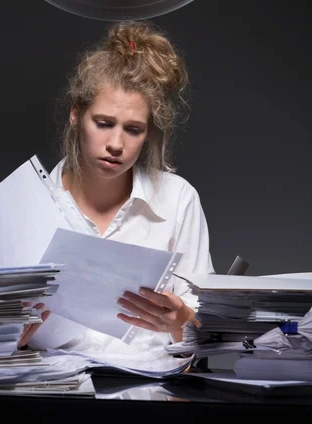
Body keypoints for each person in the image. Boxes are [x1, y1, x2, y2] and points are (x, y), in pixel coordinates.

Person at [19, 19, 215, 364]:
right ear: (76, 115)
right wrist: (9, 336)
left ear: (148, 133)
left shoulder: (178, 200)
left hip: (150, 398)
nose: (116, 144)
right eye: (104, 123)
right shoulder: (28, 203)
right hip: (53, 395)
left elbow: (208, 333)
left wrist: (181, 320)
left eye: (134, 129)